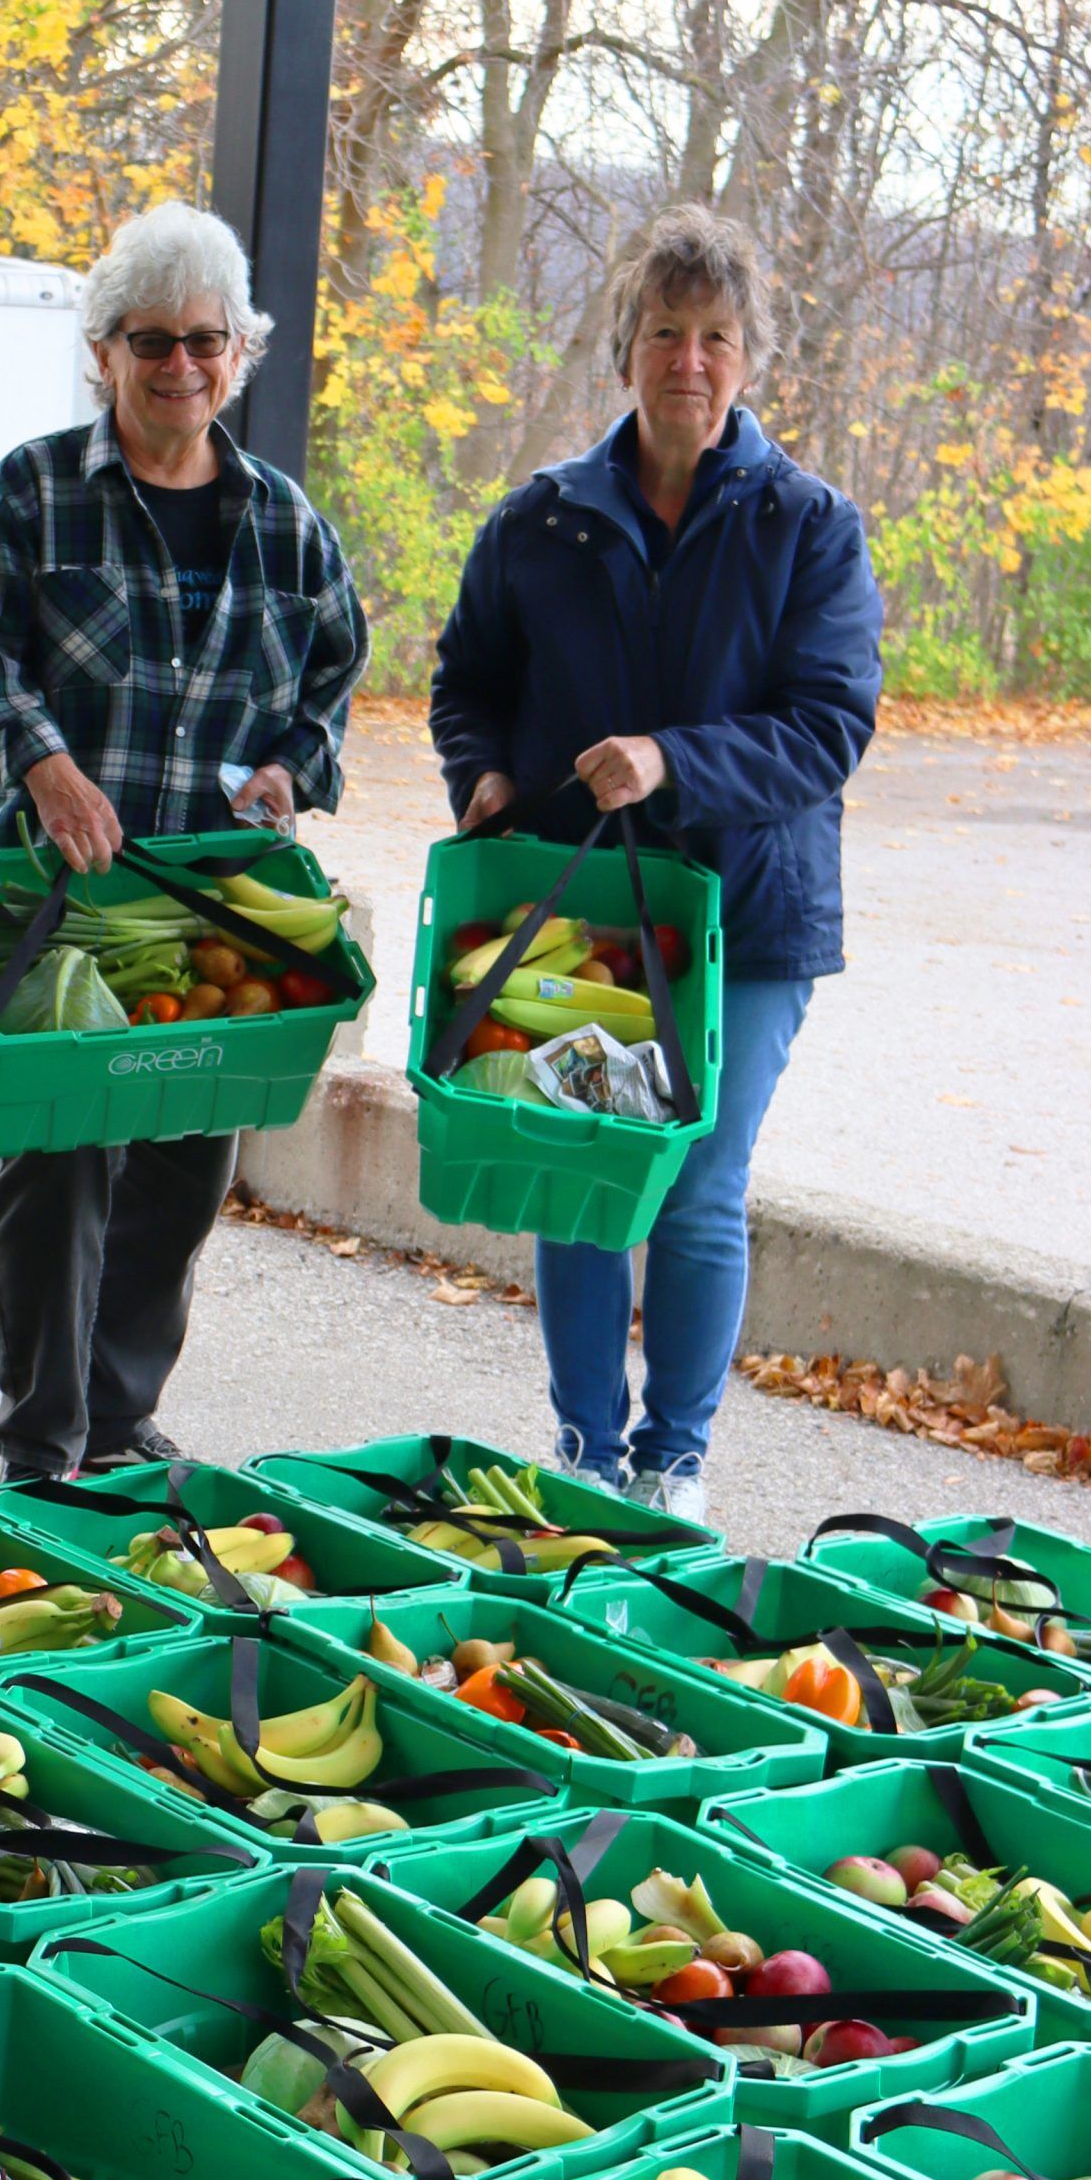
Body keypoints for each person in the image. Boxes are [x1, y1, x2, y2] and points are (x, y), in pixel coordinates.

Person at [429, 203, 882, 1525]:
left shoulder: (809, 525)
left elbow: (827, 726)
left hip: (749, 916)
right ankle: (583, 1450)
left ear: (750, 360)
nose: (689, 360)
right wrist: (484, 777)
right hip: (578, 906)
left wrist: (672, 760)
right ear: (624, 348)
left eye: (717, 337)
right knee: (579, 1174)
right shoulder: (541, 521)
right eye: (666, 332)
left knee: (694, 1188)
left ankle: (672, 1461)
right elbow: (467, 682)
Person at [0, 201, 370, 1482]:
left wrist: (294, 768)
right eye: (150, 342)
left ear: (239, 352)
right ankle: (42, 1445)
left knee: (185, 1169)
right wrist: (44, 766)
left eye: (203, 340)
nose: (179, 365)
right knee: (58, 1168)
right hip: (59, 898)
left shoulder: (286, 523)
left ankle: (118, 1421)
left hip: (208, 909)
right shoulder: (29, 493)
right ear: (103, 352)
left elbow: (333, 676)